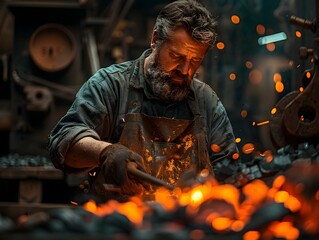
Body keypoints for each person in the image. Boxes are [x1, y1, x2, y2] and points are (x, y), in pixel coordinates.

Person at [48, 0, 239, 201]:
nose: (185, 70)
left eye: (195, 61)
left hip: (184, 225)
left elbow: (229, 171)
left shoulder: (205, 100)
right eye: (175, 56)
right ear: (155, 39)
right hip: (119, 223)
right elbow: (64, 142)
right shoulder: (111, 85)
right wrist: (105, 151)